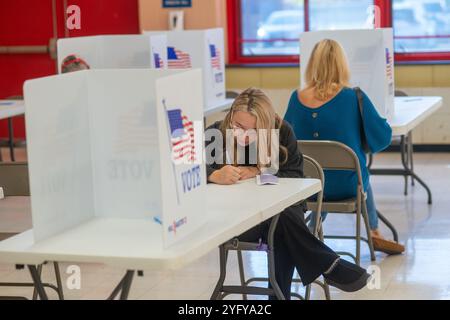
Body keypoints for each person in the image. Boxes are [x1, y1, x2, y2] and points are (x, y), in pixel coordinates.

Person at [205, 87, 370, 300]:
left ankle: (282, 294)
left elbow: (294, 178)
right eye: (237, 126)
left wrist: (259, 171)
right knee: (285, 223)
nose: (243, 135)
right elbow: (186, 172)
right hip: (237, 222)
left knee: (282, 219)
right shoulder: (216, 134)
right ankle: (329, 265)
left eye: (252, 130)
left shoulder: (281, 132)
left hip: (279, 216)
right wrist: (213, 175)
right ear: (230, 118)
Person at [284, 39, 405, 255]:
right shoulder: (353, 97)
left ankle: (311, 230)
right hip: (346, 187)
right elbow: (382, 136)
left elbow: (285, 142)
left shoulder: (296, 98)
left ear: (312, 64)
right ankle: (374, 231)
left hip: (307, 187)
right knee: (360, 175)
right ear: (342, 65)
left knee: (321, 175)